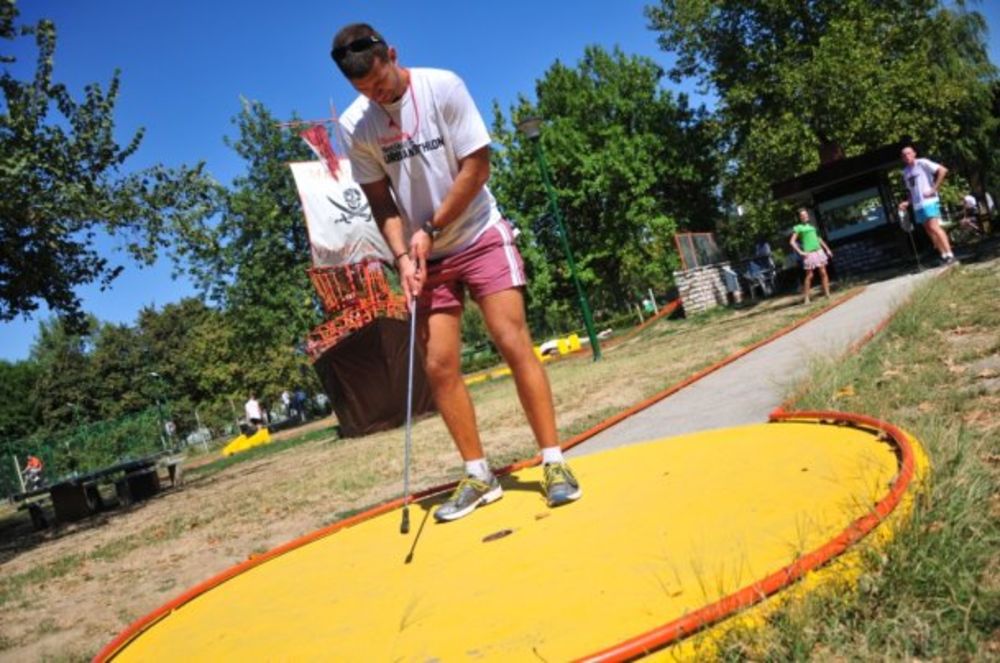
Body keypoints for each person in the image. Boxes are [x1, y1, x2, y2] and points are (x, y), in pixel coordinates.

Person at [332, 23, 581, 522]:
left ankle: (554, 462)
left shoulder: (443, 86)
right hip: (427, 256)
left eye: (379, 84)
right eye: (362, 91)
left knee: (510, 338)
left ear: (392, 55)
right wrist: (402, 257)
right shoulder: (357, 126)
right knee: (439, 364)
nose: (375, 97)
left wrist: (431, 226)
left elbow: (478, 167)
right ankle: (478, 474)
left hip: (477, 232)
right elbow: (381, 201)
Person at [897, 146, 956, 265]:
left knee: (934, 227)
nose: (907, 156)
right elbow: (912, 191)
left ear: (914, 153)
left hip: (929, 201)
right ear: (902, 158)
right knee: (928, 230)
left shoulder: (922, 163)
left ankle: (950, 254)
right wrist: (907, 202)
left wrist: (934, 189)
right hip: (918, 204)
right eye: (904, 155)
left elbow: (943, 170)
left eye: (909, 153)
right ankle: (943, 255)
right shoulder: (906, 172)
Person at [790, 208, 833, 304]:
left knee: (823, 272)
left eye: (806, 214)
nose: (805, 216)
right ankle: (806, 298)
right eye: (802, 215)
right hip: (809, 253)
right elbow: (792, 242)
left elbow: (819, 239)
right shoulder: (798, 228)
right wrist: (800, 252)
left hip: (819, 251)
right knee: (810, 275)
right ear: (799, 217)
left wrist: (827, 249)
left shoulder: (812, 227)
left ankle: (827, 294)